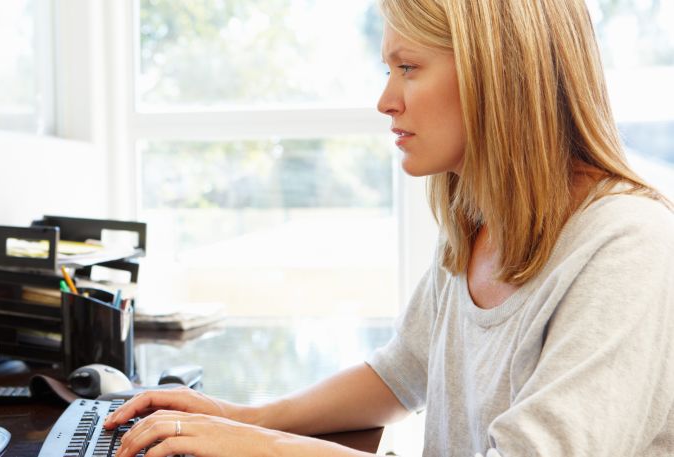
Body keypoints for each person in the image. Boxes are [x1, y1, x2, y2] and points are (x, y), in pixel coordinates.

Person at [105, 0, 674, 455]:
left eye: (408, 68)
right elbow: (406, 369)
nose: (385, 100)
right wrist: (241, 415)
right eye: (389, 69)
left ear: (497, 75)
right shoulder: (478, 223)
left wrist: (263, 446)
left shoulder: (629, 246)